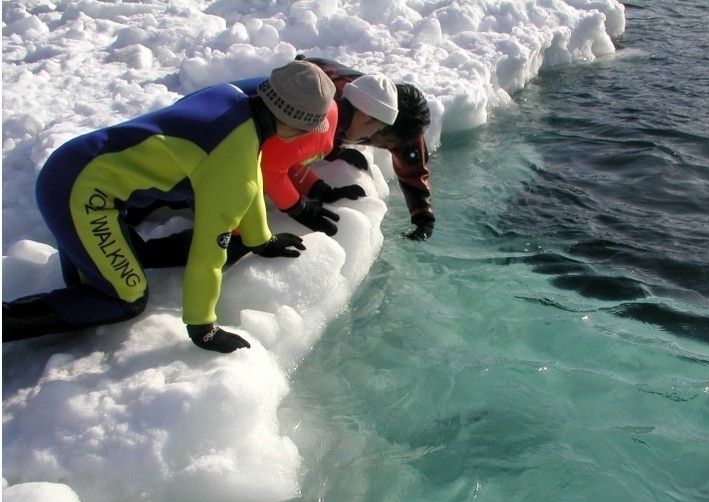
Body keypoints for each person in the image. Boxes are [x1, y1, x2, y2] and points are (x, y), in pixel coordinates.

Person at [2, 61, 336, 353]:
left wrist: (262, 240)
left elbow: (252, 170)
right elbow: (209, 253)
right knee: (126, 297)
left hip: (70, 165)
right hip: (81, 196)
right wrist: (202, 326)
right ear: (294, 125)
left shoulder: (231, 98)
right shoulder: (231, 166)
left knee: (87, 291)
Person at [235, 56, 435, 240]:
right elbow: (269, 166)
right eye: (379, 134)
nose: (377, 143)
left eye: (387, 144)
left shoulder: (385, 119)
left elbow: (285, 158)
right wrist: (299, 209)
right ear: (370, 117)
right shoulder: (327, 103)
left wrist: (423, 217)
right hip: (296, 86)